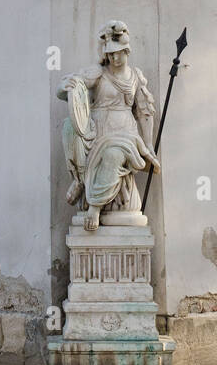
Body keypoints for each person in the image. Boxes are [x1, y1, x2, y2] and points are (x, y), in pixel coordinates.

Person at [57, 20, 160, 232]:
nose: (114, 57)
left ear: (127, 51)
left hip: (126, 136)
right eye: (110, 53)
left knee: (113, 155)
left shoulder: (136, 77)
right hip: (97, 133)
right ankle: (83, 179)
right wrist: (63, 87)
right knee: (72, 129)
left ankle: (94, 206)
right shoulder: (98, 73)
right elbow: (72, 89)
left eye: (118, 53)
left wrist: (148, 145)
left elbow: (144, 112)